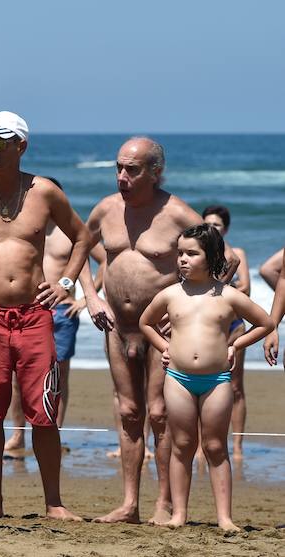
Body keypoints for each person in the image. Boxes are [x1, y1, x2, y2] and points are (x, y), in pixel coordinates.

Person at [0, 112, 87, 520]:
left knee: (44, 411)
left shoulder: (44, 192)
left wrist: (65, 284)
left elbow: (82, 236)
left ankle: (54, 503)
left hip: (34, 314)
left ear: (21, 146)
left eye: (0, 142)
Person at [80, 137, 203, 524]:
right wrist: (91, 296)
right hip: (116, 327)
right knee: (129, 412)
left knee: (159, 413)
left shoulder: (178, 213)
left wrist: (184, 305)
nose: (122, 176)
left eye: (132, 169)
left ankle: (164, 503)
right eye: (118, 168)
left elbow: (223, 261)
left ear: (155, 172)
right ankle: (129, 504)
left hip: (160, 331)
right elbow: (78, 250)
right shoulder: (105, 209)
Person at [139, 224, 272, 531]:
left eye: (191, 253)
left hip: (216, 381)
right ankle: (178, 514)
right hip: (178, 378)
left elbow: (264, 323)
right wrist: (164, 347)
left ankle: (224, 518)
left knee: (215, 447)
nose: (182, 259)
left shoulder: (229, 296)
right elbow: (145, 322)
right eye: (180, 253)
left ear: (211, 256)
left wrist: (235, 345)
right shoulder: (171, 294)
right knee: (182, 444)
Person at [3, 178, 107, 454]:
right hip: (27, 308)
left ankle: (56, 433)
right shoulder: (26, 228)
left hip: (61, 311)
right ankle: (17, 434)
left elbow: (103, 260)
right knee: (17, 377)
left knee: (58, 377)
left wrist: (87, 297)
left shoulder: (68, 233)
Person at [202, 205, 250, 459]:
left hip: (233, 326)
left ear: (226, 228)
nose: (213, 228)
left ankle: (238, 445)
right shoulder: (200, 254)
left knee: (235, 387)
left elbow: (246, 287)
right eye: (208, 223)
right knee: (202, 386)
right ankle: (202, 444)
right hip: (206, 329)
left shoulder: (236, 253)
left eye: (217, 225)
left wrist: (217, 292)